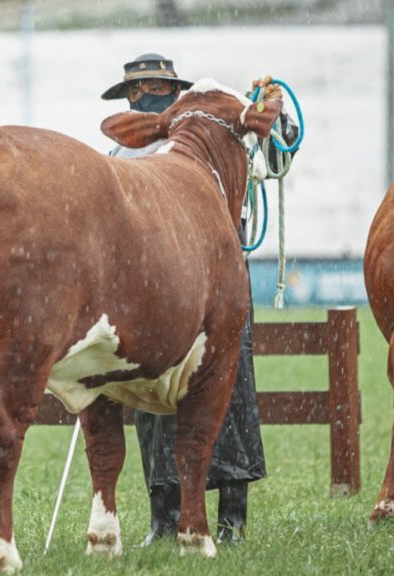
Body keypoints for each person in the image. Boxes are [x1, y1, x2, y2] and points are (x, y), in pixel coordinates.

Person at [100, 53, 296, 545]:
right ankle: (164, 517)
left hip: (221, 271)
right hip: (153, 280)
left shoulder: (221, 123)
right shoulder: (121, 154)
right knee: (149, 395)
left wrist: (275, 110)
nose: (144, 95)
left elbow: (279, 155)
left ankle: (233, 514)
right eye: (136, 90)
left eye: (154, 86)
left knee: (229, 389)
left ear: (174, 89)